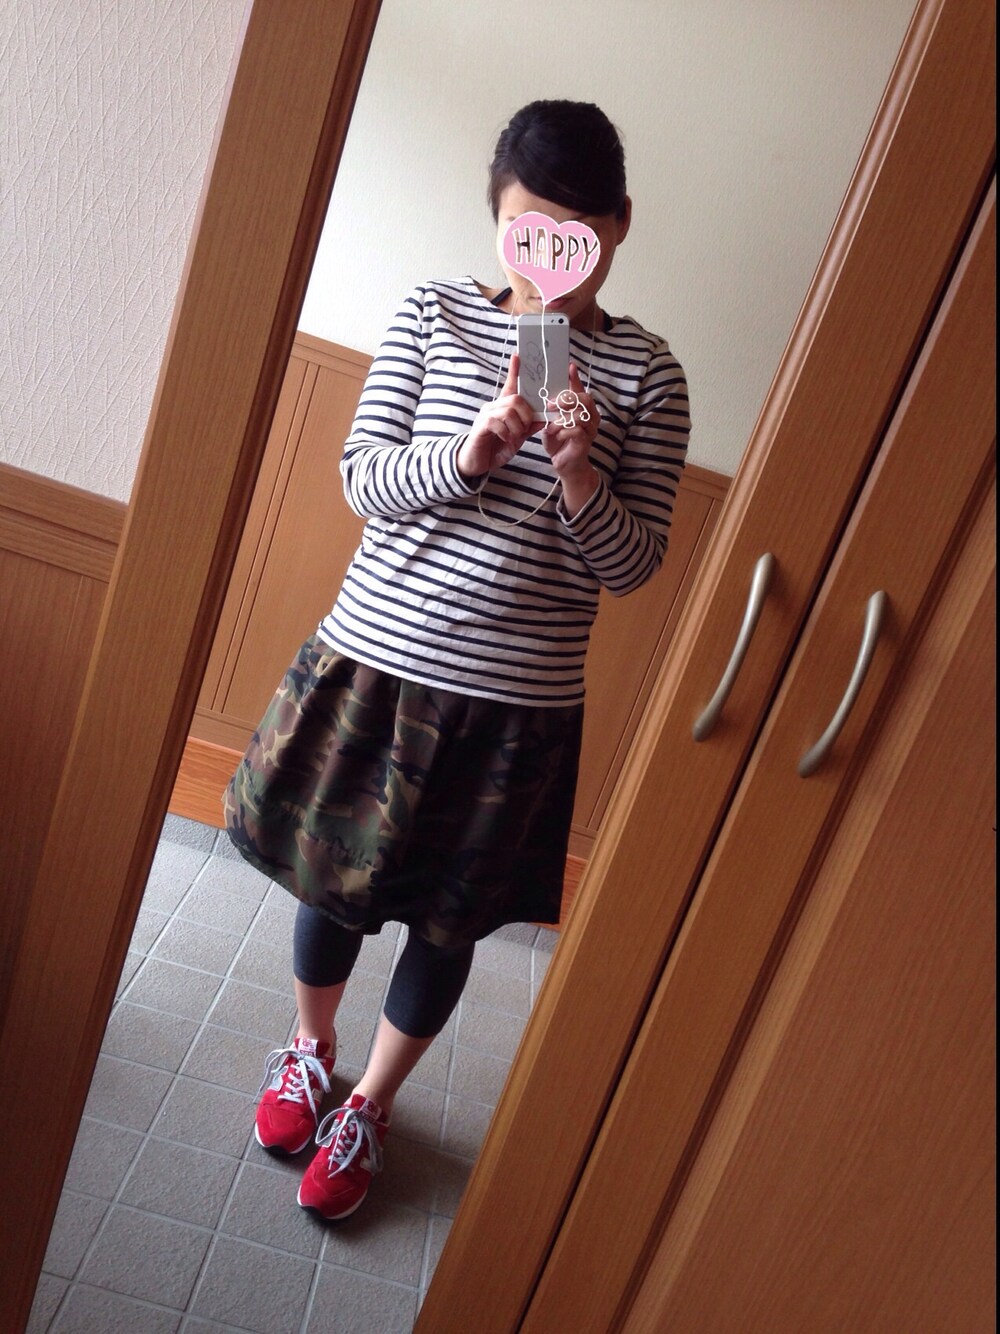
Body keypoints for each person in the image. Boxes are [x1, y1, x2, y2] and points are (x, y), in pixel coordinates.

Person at [223, 99, 691, 1222]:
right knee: (335, 887)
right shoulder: (432, 313)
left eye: (579, 236)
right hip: (376, 667)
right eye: (530, 233)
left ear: (620, 225)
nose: (552, 265)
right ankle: (309, 1049)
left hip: (518, 707)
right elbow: (362, 480)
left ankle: (370, 1101)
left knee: (448, 920)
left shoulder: (649, 376)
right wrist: (468, 451)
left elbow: (634, 565)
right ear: (498, 222)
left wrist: (579, 474)